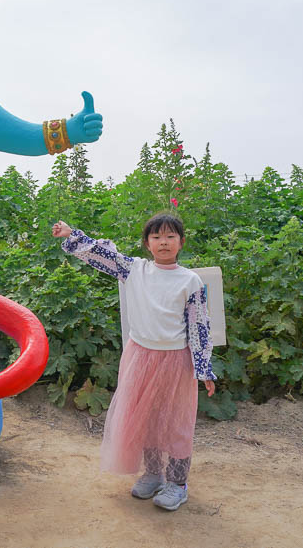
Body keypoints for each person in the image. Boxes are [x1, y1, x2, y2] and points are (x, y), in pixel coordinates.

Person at [52, 213, 215, 511]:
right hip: (140, 356)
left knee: (177, 421)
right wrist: (70, 233)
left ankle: (177, 483)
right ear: (147, 244)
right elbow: (100, 254)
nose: (163, 242)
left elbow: (200, 325)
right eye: (156, 237)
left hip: (176, 360)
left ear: (181, 242)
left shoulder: (190, 281)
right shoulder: (133, 269)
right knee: (146, 417)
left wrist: (203, 368)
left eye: (170, 236)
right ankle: (153, 473)